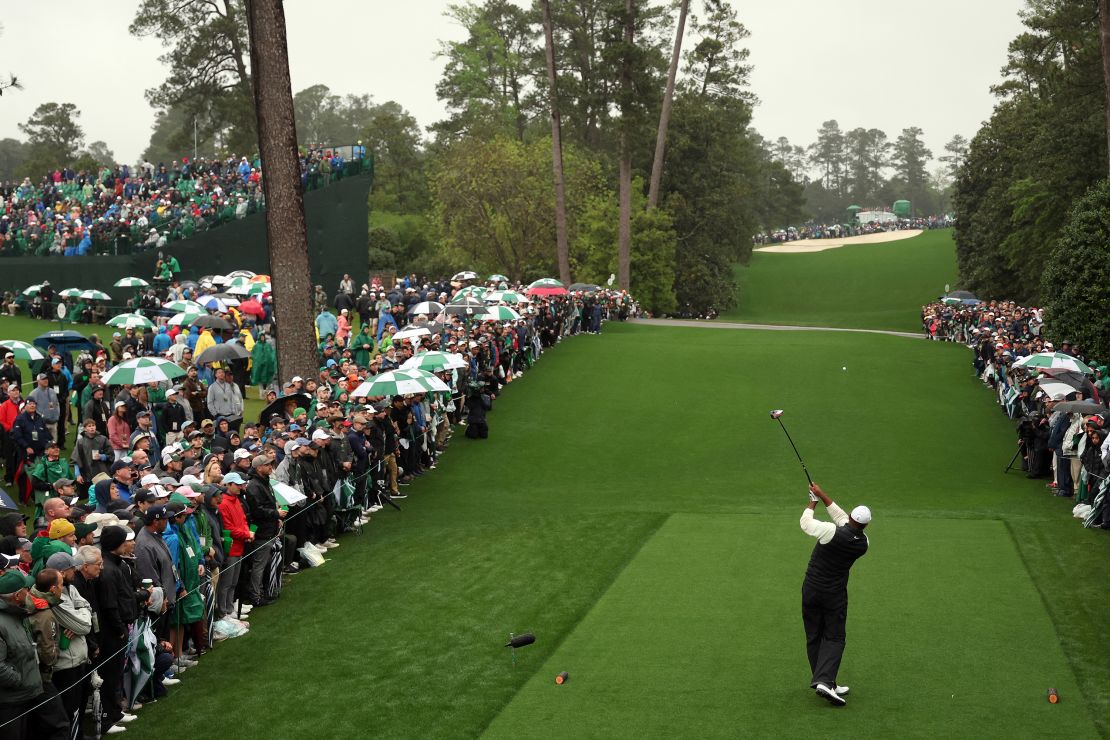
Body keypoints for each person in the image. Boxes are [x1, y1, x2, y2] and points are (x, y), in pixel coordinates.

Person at [799, 482, 870, 706]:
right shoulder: (863, 544)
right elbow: (845, 523)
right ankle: (825, 680)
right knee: (835, 637)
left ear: (850, 517)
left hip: (810, 590)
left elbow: (805, 523)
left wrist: (814, 500)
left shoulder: (829, 531)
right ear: (865, 525)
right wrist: (823, 495)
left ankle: (825, 680)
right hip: (834, 595)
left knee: (814, 635)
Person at [0, 569, 70, 739]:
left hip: (30, 691)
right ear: (17, 595)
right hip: (13, 700)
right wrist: (20, 679)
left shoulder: (19, 614)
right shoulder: (4, 622)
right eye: (26, 589)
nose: (30, 591)